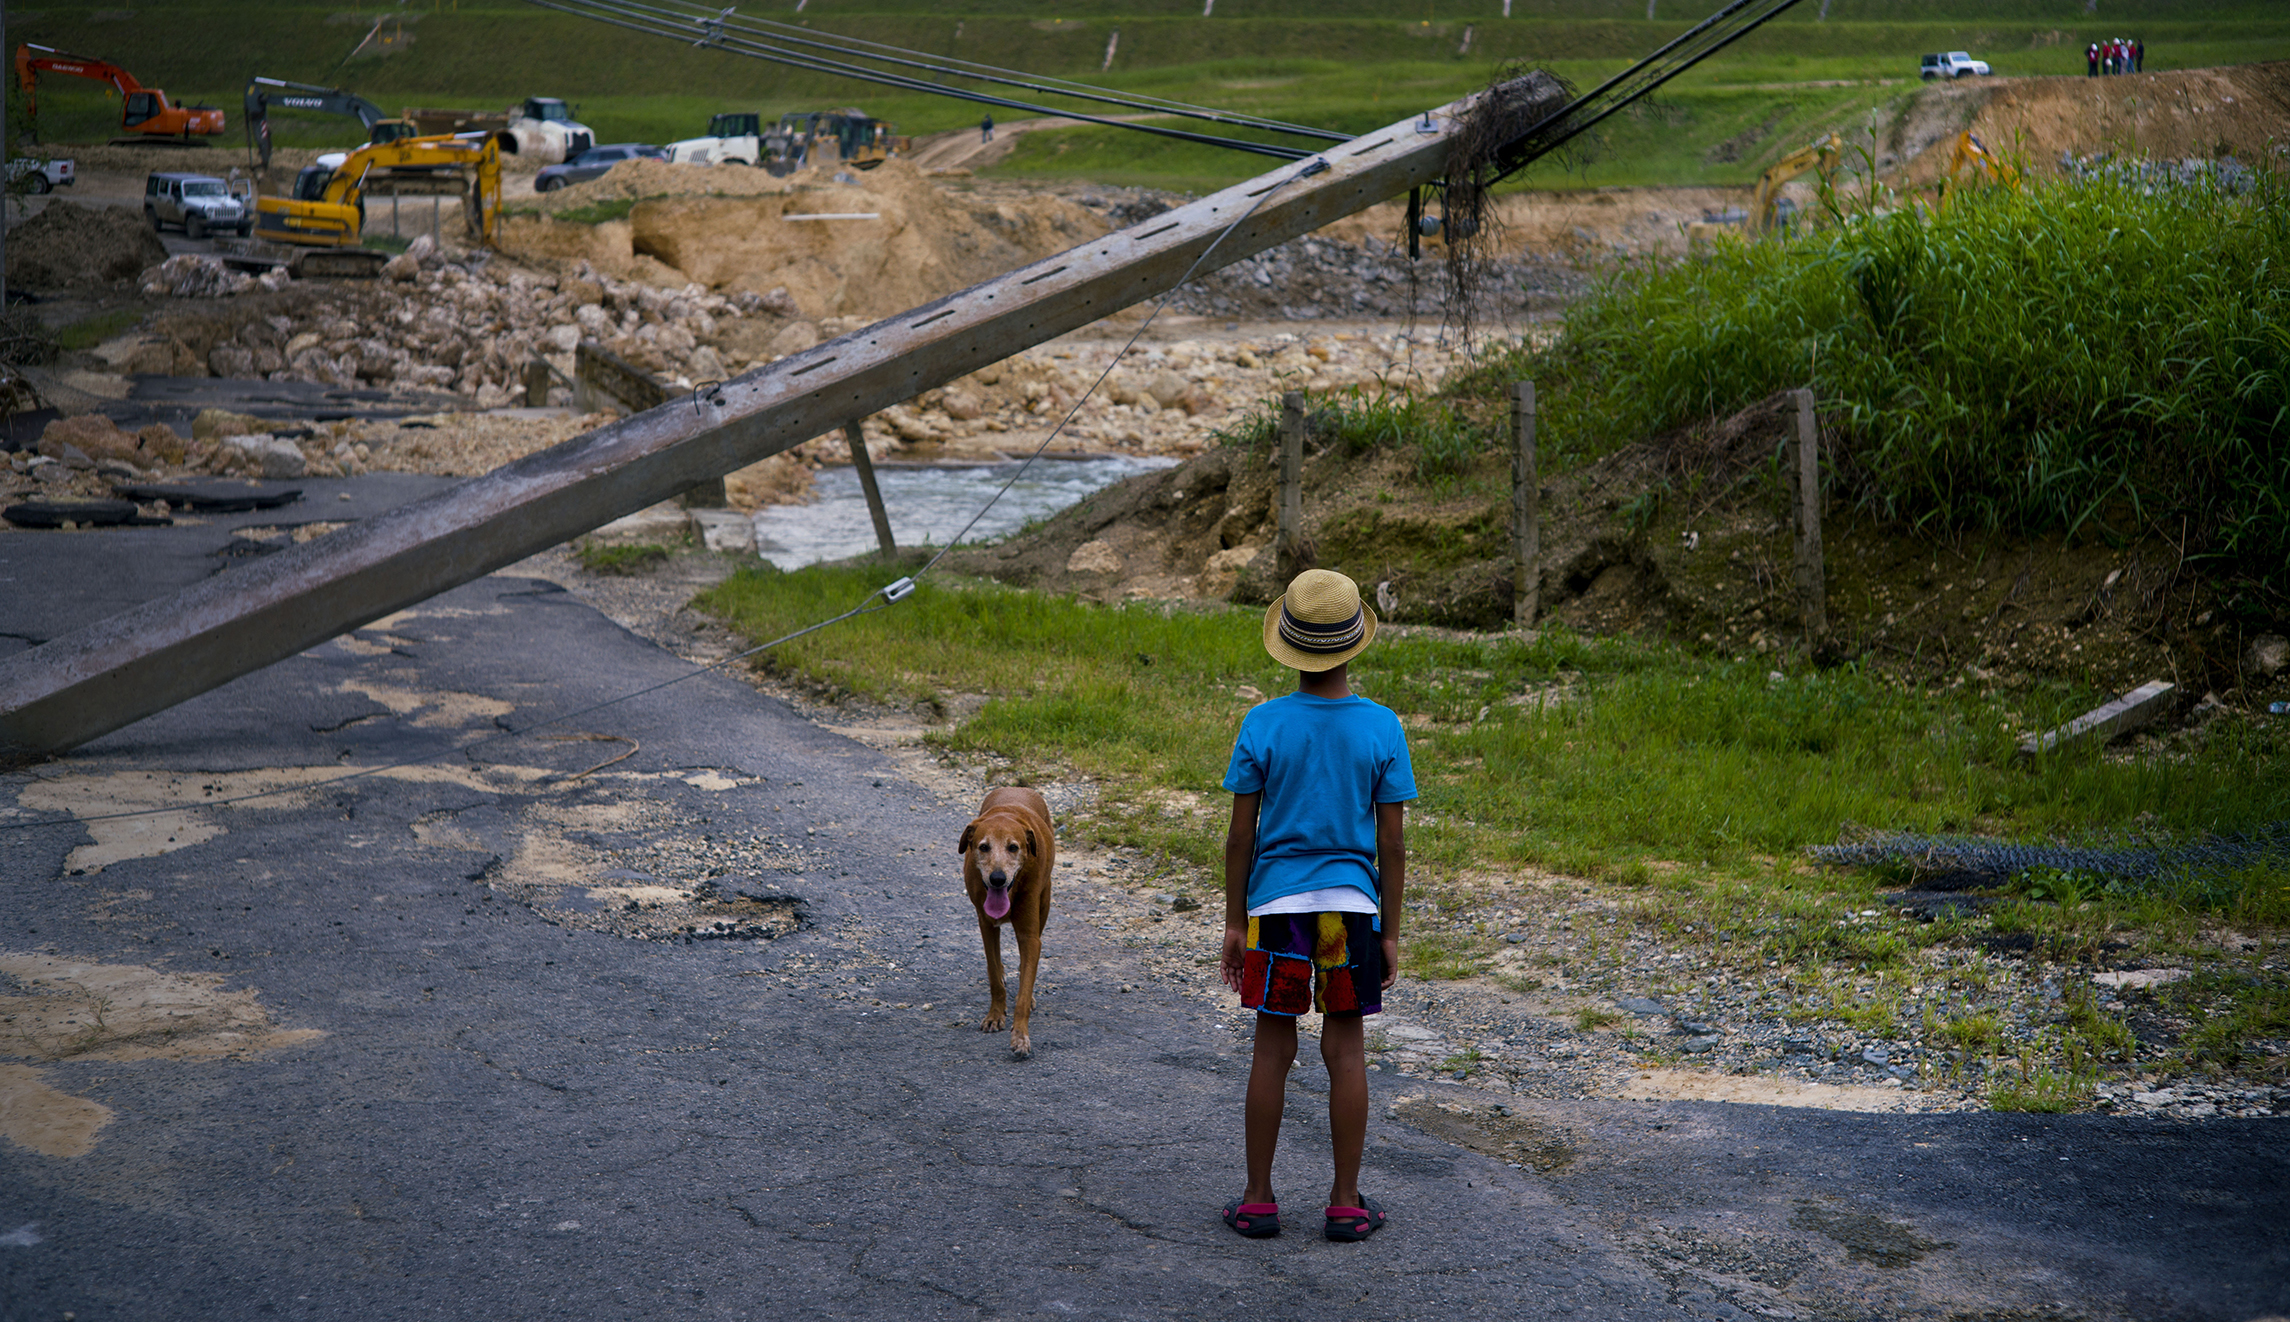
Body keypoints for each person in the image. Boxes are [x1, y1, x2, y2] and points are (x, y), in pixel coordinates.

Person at [1217, 569, 1415, 1244]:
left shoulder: (1263, 723)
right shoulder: (1382, 728)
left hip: (1277, 911)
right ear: (1355, 645)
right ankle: (1344, 1202)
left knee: (1272, 1052)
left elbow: (1240, 835)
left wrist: (1234, 922)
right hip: (1351, 914)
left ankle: (1257, 1200)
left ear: (1289, 645)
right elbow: (1392, 845)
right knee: (1346, 1051)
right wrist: (1389, 930)